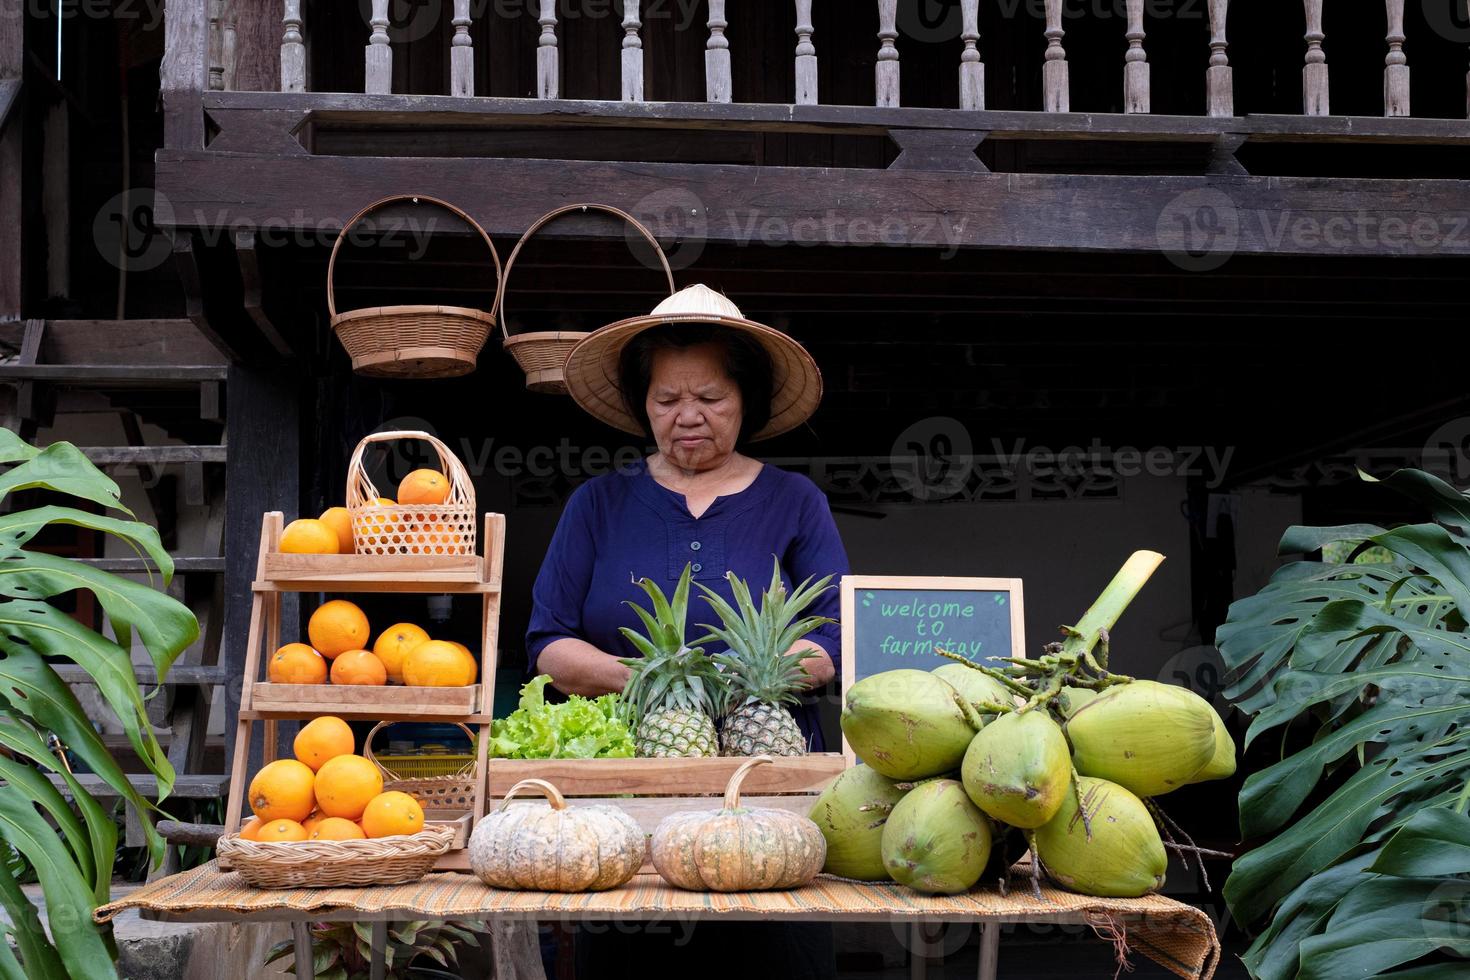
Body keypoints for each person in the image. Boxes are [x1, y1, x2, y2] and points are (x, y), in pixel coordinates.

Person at [525, 284, 847, 979]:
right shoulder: (598, 503)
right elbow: (548, 643)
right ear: (643, 406)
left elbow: (833, 639)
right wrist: (646, 679)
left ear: (746, 400)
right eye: (666, 401)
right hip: (624, 805)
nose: (687, 417)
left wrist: (739, 683)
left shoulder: (795, 500)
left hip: (771, 795)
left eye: (709, 398)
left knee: (775, 958)